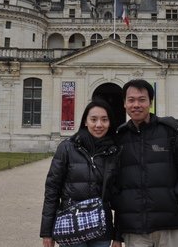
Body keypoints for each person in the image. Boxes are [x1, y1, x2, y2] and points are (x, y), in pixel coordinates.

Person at [112, 79, 178, 247]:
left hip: (169, 223)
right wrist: (118, 230)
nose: (136, 105)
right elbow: (116, 186)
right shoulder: (119, 138)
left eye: (142, 99)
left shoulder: (171, 131)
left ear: (150, 103)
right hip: (135, 227)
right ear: (124, 104)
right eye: (131, 100)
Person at [40, 99, 119, 247]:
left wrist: (118, 236)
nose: (99, 125)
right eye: (93, 119)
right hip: (71, 223)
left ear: (110, 122)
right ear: (85, 121)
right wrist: (47, 232)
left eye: (104, 120)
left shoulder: (114, 151)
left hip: (102, 227)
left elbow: (121, 196)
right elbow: (52, 191)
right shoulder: (67, 148)